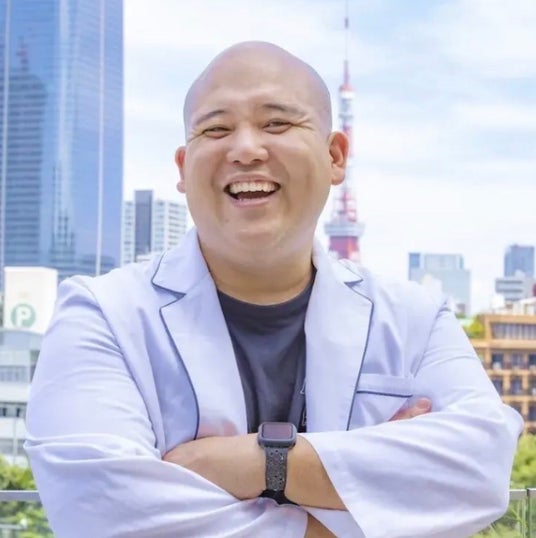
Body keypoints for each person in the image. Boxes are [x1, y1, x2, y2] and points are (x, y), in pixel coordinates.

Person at [25, 41, 522, 538]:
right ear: (182, 167)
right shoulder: (100, 313)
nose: (245, 149)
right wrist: (362, 500)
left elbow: (480, 470)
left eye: (277, 123)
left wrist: (260, 461)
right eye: (216, 129)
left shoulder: (416, 316)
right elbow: (102, 512)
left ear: (335, 156)